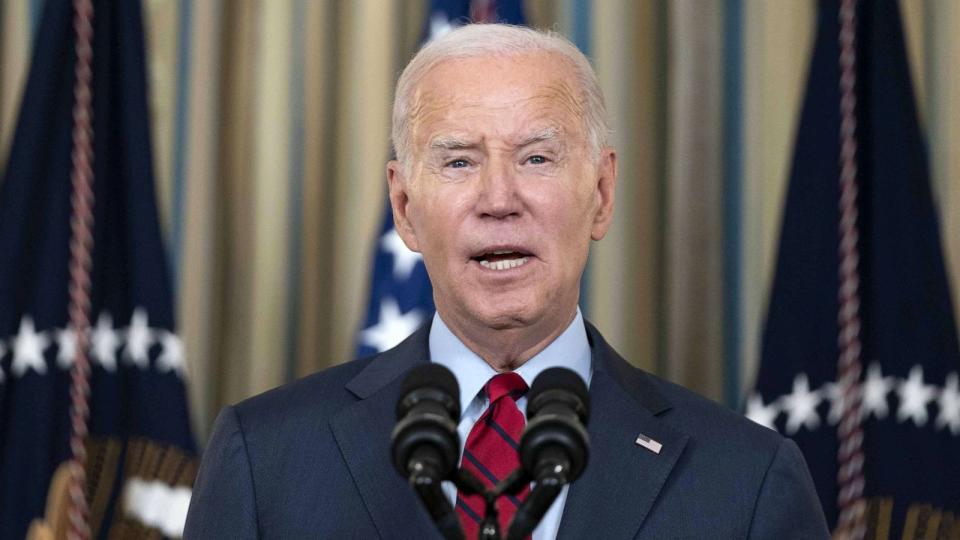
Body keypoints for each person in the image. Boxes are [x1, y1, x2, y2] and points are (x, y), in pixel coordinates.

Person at [184, 24, 829, 539]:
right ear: (405, 208)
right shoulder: (264, 459)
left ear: (601, 194)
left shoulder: (748, 478)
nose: (499, 198)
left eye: (537, 158)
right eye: (459, 160)